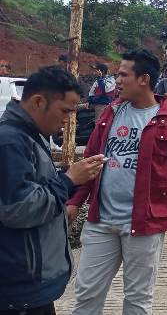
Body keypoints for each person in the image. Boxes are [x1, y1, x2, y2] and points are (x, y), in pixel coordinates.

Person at [67, 49, 167, 314]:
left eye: (124, 75)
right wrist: (75, 202)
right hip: (101, 221)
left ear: (144, 79)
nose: (118, 80)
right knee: (86, 293)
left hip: (144, 224)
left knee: (138, 298)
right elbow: (90, 160)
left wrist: (162, 189)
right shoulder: (110, 115)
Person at [0, 66, 106, 315]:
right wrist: (68, 181)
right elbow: (18, 208)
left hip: (29, 285)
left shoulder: (30, 136)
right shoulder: (10, 142)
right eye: (65, 110)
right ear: (38, 102)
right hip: (19, 288)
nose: (69, 119)